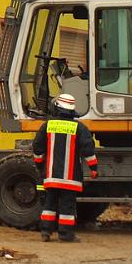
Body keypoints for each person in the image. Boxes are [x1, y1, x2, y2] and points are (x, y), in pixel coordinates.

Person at [32, 93, 99, 242]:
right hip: (70, 178)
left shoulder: (48, 125)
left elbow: (37, 147)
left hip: (51, 176)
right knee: (67, 206)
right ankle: (65, 234)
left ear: (57, 108)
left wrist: (39, 164)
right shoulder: (79, 128)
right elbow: (88, 149)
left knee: (49, 203)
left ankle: (45, 232)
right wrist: (93, 168)